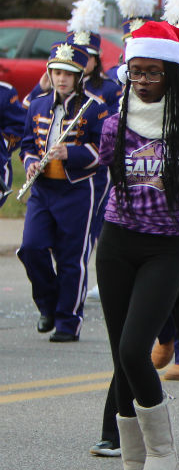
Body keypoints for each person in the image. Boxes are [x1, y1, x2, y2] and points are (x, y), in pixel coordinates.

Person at [96, 21, 179, 470]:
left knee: (136, 348)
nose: (144, 80)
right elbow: (113, 182)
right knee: (121, 355)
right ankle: (133, 462)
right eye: (136, 71)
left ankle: (162, 453)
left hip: (167, 248)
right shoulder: (114, 125)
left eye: (153, 71)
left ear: (177, 74)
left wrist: (170, 235)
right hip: (116, 245)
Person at [18, 40, 110, 341]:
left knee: (72, 258)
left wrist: (71, 154)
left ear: (78, 76)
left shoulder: (95, 108)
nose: (61, 78)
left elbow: (105, 151)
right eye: (56, 72)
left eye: (68, 73)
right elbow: (28, 144)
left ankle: (68, 322)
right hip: (43, 189)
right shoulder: (39, 104)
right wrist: (31, 161)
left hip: (77, 191)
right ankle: (48, 305)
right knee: (30, 248)